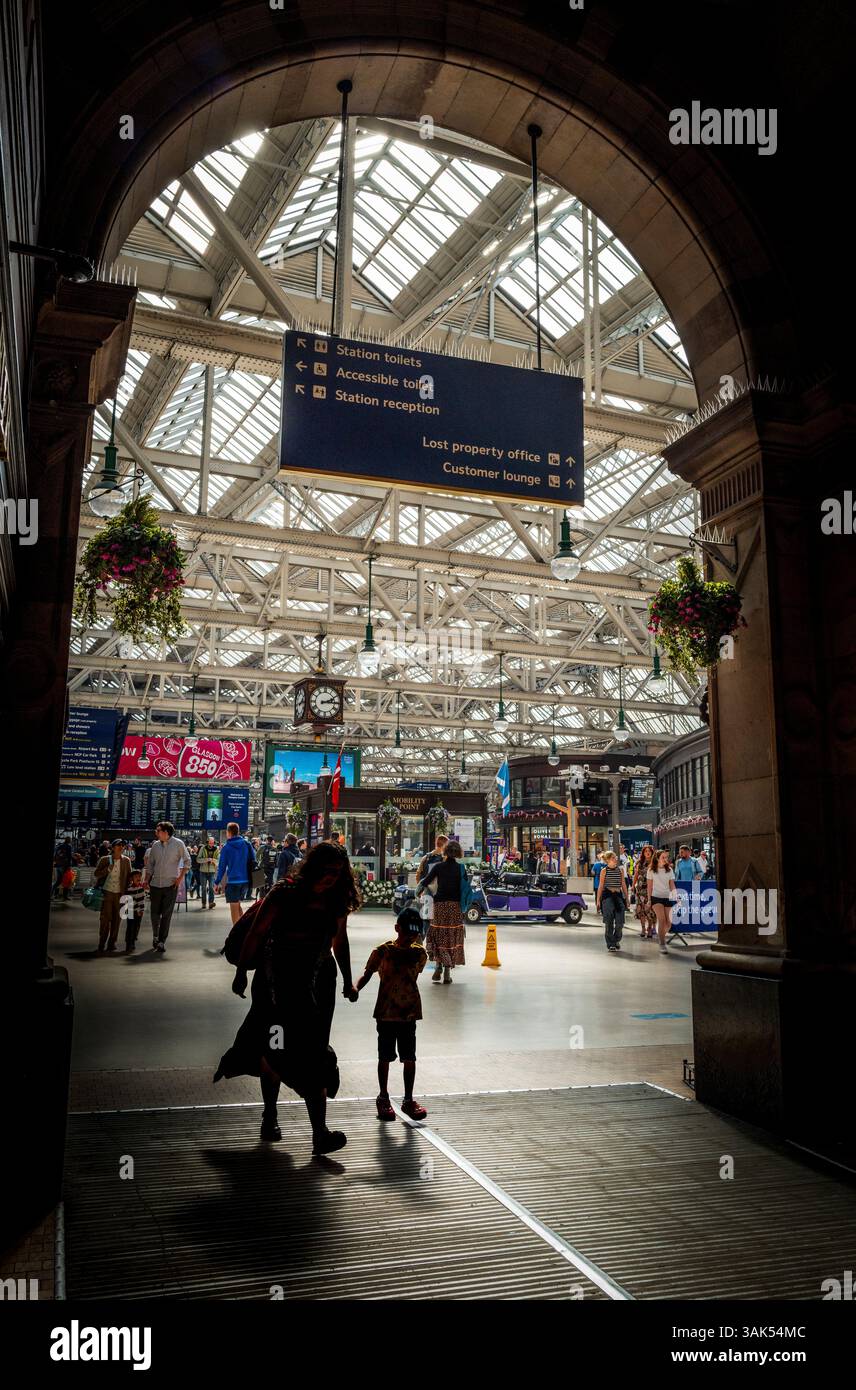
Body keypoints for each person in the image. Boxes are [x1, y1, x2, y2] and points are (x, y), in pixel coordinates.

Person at [214, 843, 360, 1156]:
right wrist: (241, 971)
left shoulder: (336, 898)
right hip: (275, 983)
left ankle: (319, 1133)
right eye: (326, 872)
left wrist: (349, 980)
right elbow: (255, 933)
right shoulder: (284, 893)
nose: (331, 879)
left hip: (319, 982)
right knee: (274, 1046)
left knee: (315, 1052)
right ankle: (270, 1114)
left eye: (337, 873)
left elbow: (340, 940)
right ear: (313, 868)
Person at [355, 905, 428, 1122]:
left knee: (409, 1057)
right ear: (397, 928)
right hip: (386, 1013)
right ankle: (383, 1097)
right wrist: (355, 988)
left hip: (408, 1015)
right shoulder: (382, 952)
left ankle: (408, 1099)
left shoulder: (419, 953)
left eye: (415, 933)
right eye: (408, 932)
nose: (411, 937)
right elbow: (367, 973)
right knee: (384, 1057)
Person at [417, 839, 466, 983]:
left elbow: (425, 881)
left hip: (439, 905)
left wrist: (418, 891)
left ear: (445, 851)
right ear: (458, 853)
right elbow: (464, 888)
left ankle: (438, 966)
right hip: (455, 907)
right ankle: (447, 972)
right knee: (450, 936)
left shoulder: (438, 867)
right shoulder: (461, 869)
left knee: (438, 935)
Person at [143, 821, 191, 953]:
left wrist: (179, 879)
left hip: (171, 885)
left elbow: (188, 861)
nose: (156, 833)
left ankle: (162, 941)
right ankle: (155, 936)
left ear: (165, 832)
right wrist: (146, 879)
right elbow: (150, 865)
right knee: (154, 913)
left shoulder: (178, 844)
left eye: (158, 830)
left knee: (166, 914)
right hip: (155, 885)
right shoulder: (155, 846)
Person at [94, 838, 133, 954]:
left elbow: (129, 877)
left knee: (117, 919)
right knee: (105, 919)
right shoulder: (105, 859)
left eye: (123, 845)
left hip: (121, 893)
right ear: (113, 847)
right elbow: (96, 874)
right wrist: (106, 870)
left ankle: (112, 943)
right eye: (118, 845)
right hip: (107, 892)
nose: (121, 847)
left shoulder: (126, 861)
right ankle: (101, 943)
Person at [214, 822, 257, 925]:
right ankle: (244, 930)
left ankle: (236, 936)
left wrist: (217, 882)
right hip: (246, 882)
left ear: (229, 832)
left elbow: (222, 867)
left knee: (234, 909)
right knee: (237, 905)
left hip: (233, 881)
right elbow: (254, 860)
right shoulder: (247, 844)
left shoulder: (226, 847)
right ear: (237, 831)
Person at [416, 833, 448, 940]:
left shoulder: (426, 857)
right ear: (444, 845)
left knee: (426, 917)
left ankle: (421, 939)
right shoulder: (445, 859)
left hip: (427, 891)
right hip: (441, 893)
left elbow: (418, 874)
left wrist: (421, 889)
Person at [596, 850, 628, 953]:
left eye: (615, 858)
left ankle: (616, 940)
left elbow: (623, 884)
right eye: (613, 858)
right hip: (607, 896)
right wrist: (598, 900)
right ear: (608, 860)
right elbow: (601, 886)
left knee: (620, 922)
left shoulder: (620, 870)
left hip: (618, 896)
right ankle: (611, 944)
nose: (615, 859)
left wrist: (627, 898)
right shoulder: (604, 871)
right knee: (609, 921)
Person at [647, 850, 677, 955]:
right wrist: (649, 900)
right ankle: (662, 943)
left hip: (667, 897)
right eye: (663, 857)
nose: (665, 859)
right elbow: (649, 886)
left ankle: (661, 936)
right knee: (662, 919)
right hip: (656, 897)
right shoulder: (651, 870)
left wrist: (676, 896)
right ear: (657, 858)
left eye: (666, 857)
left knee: (669, 923)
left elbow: (672, 885)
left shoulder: (669, 870)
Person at [633, 844, 657, 939]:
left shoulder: (655, 863)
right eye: (645, 851)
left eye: (649, 851)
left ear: (652, 853)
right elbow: (636, 874)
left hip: (650, 889)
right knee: (640, 910)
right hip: (640, 889)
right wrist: (633, 886)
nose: (647, 852)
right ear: (643, 853)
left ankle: (650, 929)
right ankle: (643, 929)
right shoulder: (639, 863)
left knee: (649, 910)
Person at [124, 869, 147, 954]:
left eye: (139, 877)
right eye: (136, 877)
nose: (138, 878)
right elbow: (131, 900)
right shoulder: (130, 889)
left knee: (137, 926)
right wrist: (138, 909)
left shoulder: (141, 888)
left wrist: (142, 910)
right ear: (132, 878)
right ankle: (128, 943)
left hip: (139, 912)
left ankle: (133, 941)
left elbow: (142, 900)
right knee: (130, 927)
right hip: (131, 911)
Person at [196, 836, 219, 909]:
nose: (211, 844)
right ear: (207, 842)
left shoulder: (216, 849)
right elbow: (198, 859)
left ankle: (211, 903)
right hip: (203, 871)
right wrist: (206, 859)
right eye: (210, 843)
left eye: (212, 843)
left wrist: (213, 860)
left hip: (212, 871)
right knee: (203, 888)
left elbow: (218, 861)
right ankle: (203, 903)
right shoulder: (203, 848)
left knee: (211, 888)